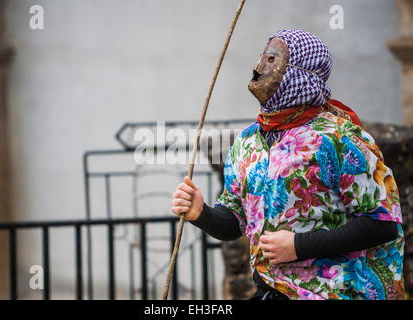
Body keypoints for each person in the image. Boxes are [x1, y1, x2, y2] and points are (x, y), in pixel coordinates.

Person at [171, 29, 405, 300]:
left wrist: (299, 246)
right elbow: (234, 223)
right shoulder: (248, 140)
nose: (258, 68)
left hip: (337, 292)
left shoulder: (341, 139)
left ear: (301, 73)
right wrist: (202, 213)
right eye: (262, 56)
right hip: (269, 290)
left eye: (272, 59)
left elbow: (382, 222)